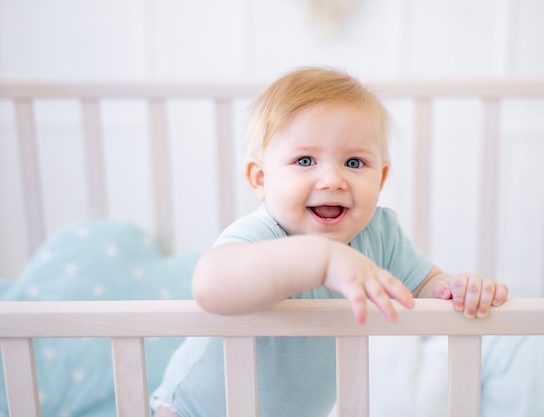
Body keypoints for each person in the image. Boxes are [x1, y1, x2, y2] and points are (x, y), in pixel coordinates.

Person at [150, 67, 509, 417]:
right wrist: (320, 259)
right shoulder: (262, 235)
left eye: (354, 162)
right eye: (305, 160)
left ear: (381, 178)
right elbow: (210, 286)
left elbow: (426, 285)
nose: (332, 179)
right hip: (193, 410)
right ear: (260, 179)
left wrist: (457, 288)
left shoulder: (379, 234)